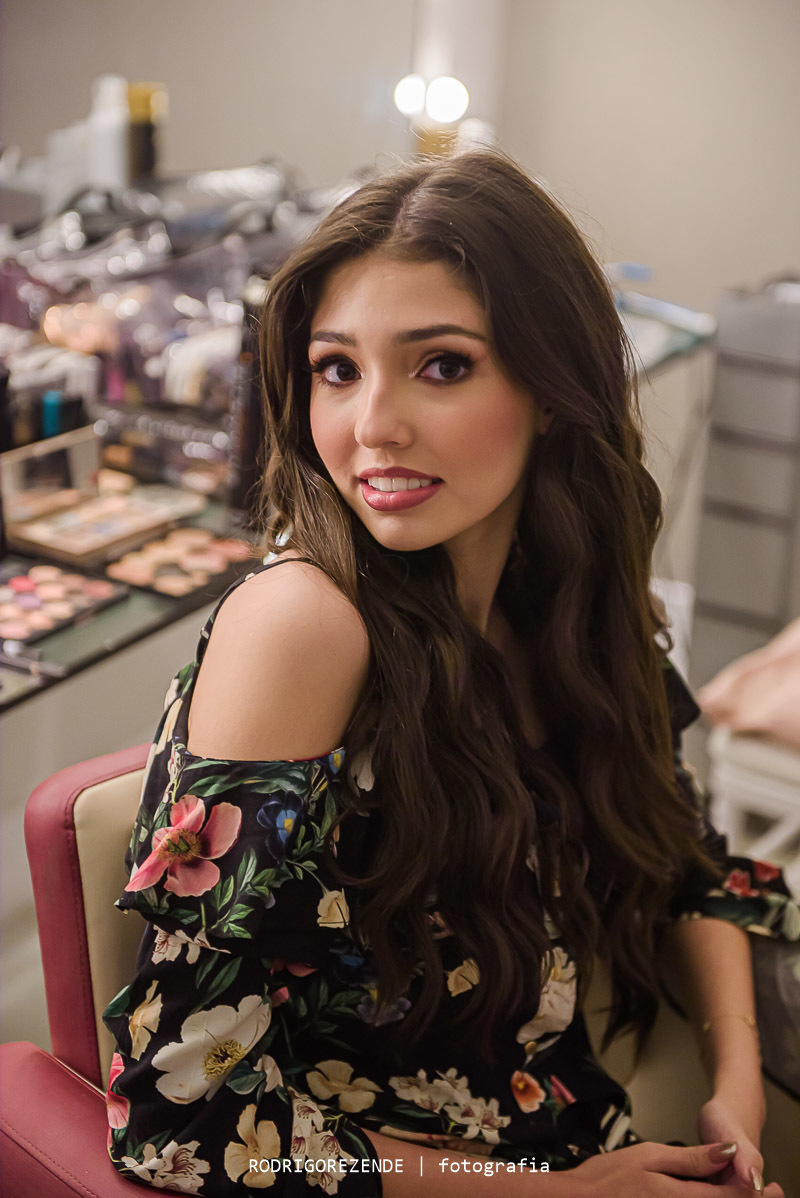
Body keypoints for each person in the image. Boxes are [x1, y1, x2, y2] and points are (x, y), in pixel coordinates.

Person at [103, 149, 797, 1196]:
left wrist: (736, 1097)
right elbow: (186, 1118)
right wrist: (557, 1195)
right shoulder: (303, 626)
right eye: (337, 369)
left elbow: (684, 863)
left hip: (583, 1148)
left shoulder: (566, 606)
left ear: (553, 389)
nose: (373, 425)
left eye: (440, 366)